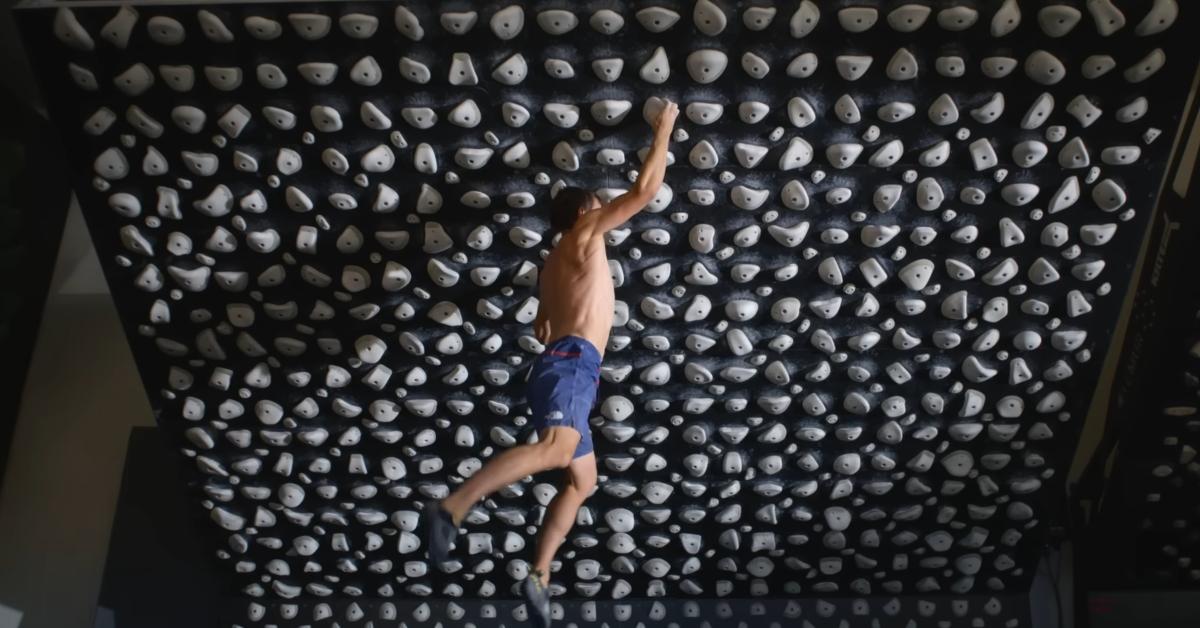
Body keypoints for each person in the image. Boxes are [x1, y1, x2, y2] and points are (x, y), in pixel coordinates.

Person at [423, 99, 680, 627]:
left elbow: (542, 325)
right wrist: (665, 129)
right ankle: (451, 507)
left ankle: (538, 574)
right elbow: (645, 192)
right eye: (599, 206)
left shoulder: (553, 265)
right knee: (556, 448)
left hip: (567, 365)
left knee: (582, 481)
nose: (607, 211)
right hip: (571, 365)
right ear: (586, 211)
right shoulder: (583, 236)